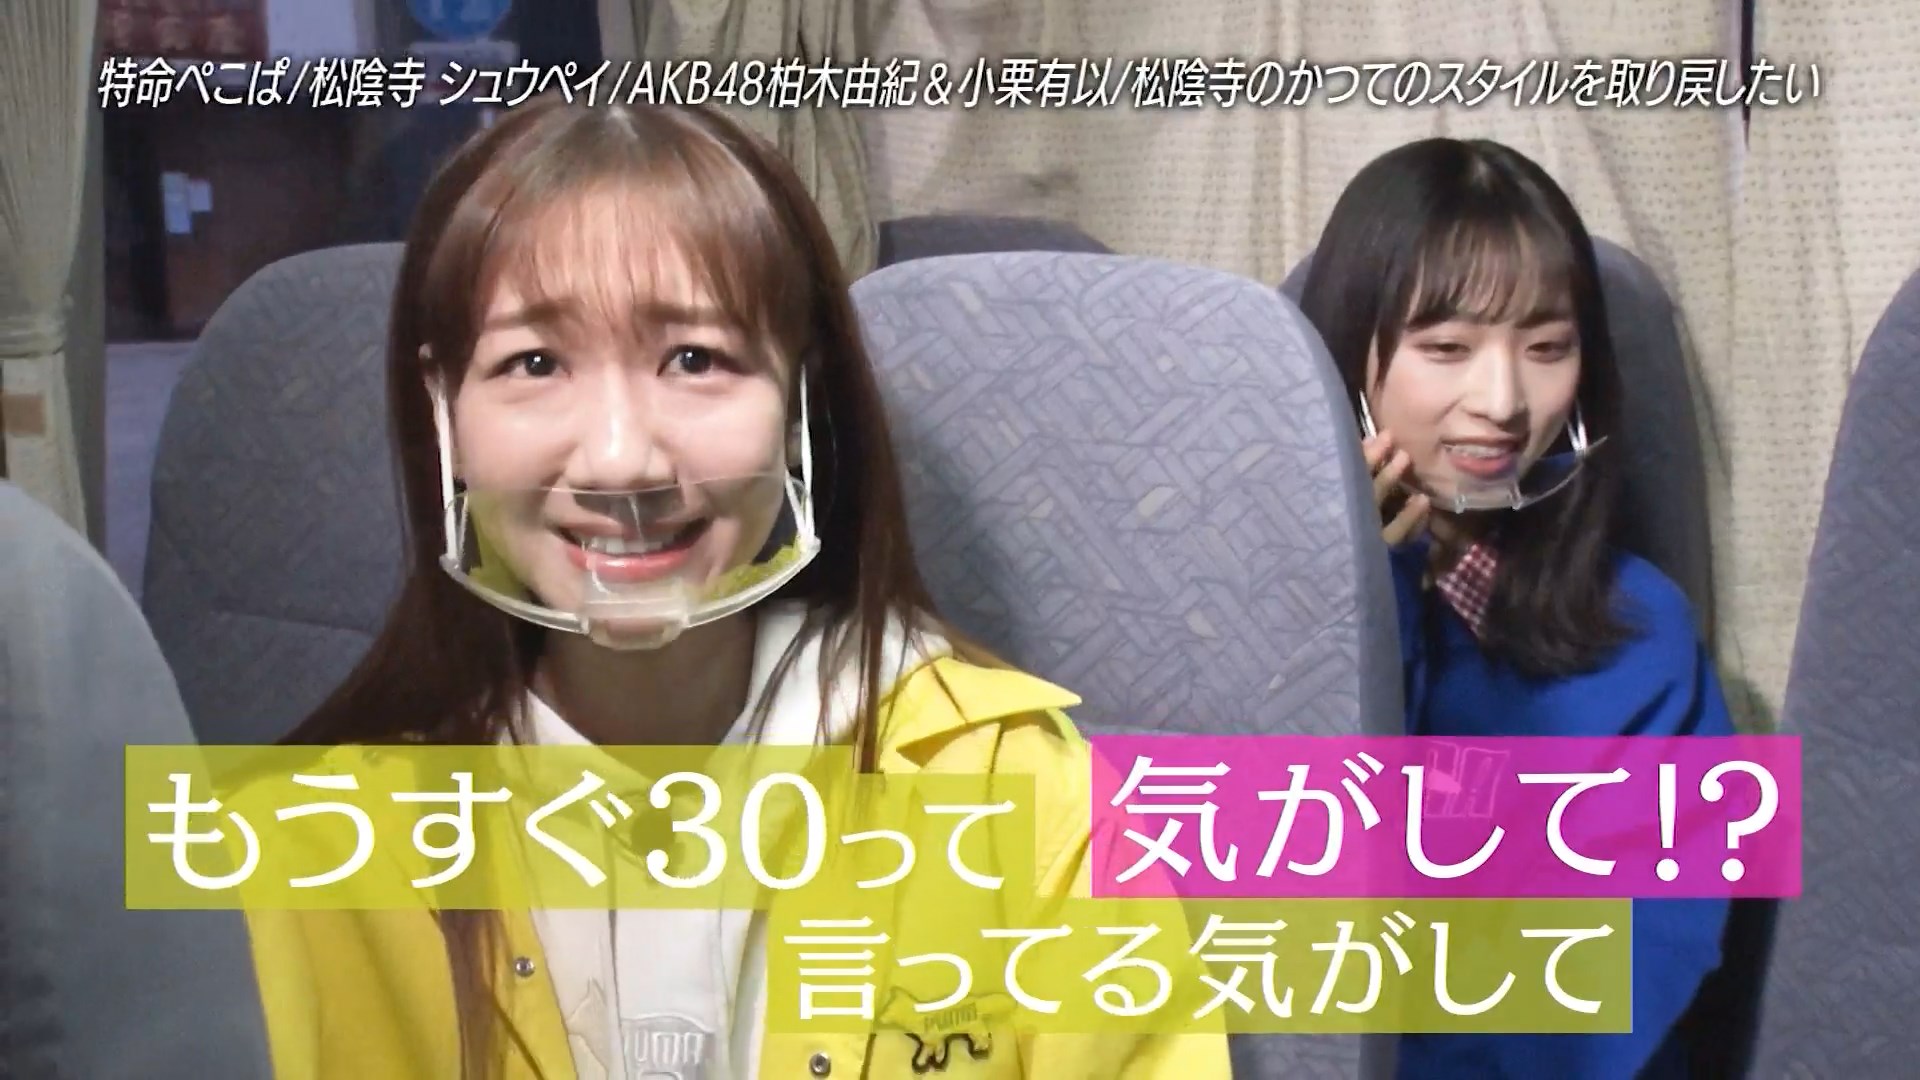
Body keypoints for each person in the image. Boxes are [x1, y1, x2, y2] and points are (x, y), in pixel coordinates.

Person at [236, 96, 1228, 1080]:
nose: (621, 463)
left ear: (799, 401)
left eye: (694, 358)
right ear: (443, 410)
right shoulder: (300, 854)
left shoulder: (1016, 786)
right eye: (534, 362)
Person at [1296, 137, 1734, 1079]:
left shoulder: (1639, 631)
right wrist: (1367, 602)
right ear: (1345, 361)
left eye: (1546, 348)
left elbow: (1638, 962)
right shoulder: (1238, 617)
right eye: (1446, 348)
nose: (1502, 401)